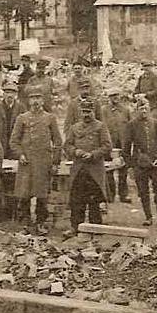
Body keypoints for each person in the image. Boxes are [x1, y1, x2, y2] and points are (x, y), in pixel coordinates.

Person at [11, 86, 63, 234]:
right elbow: (13, 141)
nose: (36, 101)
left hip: (43, 162)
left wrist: (55, 162)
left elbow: (58, 142)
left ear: (43, 100)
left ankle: (41, 223)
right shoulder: (22, 118)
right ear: (28, 100)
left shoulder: (50, 118)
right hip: (26, 163)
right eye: (33, 98)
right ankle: (26, 224)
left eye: (38, 98)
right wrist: (20, 154)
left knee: (42, 195)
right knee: (24, 194)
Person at [63, 98, 112, 234]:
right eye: (84, 111)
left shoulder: (101, 126)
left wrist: (93, 154)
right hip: (79, 170)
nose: (86, 114)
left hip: (94, 171)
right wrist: (75, 151)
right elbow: (67, 145)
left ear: (93, 112)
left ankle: (95, 229)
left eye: (89, 111)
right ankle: (76, 227)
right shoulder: (75, 127)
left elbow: (107, 146)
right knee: (76, 201)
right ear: (80, 112)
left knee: (94, 202)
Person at [124, 97, 157, 227]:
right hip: (140, 165)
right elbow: (126, 148)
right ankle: (148, 217)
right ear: (137, 110)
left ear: (149, 108)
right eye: (141, 108)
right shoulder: (132, 125)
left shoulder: (154, 123)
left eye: (145, 108)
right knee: (143, 192)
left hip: (155, 164)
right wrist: (132, 165)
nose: (143, 110)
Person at [0, 82, 27, 220]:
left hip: (15, 148)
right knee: (0, 178)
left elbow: (25, 128)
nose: (9, 95)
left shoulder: (21, 108)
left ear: (16, 94)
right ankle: (2, 210)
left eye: (12, 92)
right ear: (3, 94)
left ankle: (15, 210)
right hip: (0, 148)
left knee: (15, 179)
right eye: (7, 92)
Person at [101, 89, 133, 203]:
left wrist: (129, 142)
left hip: (123, 144)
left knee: (123, 170)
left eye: (116, 95)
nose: (115, 98)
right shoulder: (103, 110)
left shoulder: (126, 110)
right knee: (108, 169)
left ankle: (123, 195)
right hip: (109, 144)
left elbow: (131, 126)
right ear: (109, 98)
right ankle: (110, 195)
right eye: (112, 96)